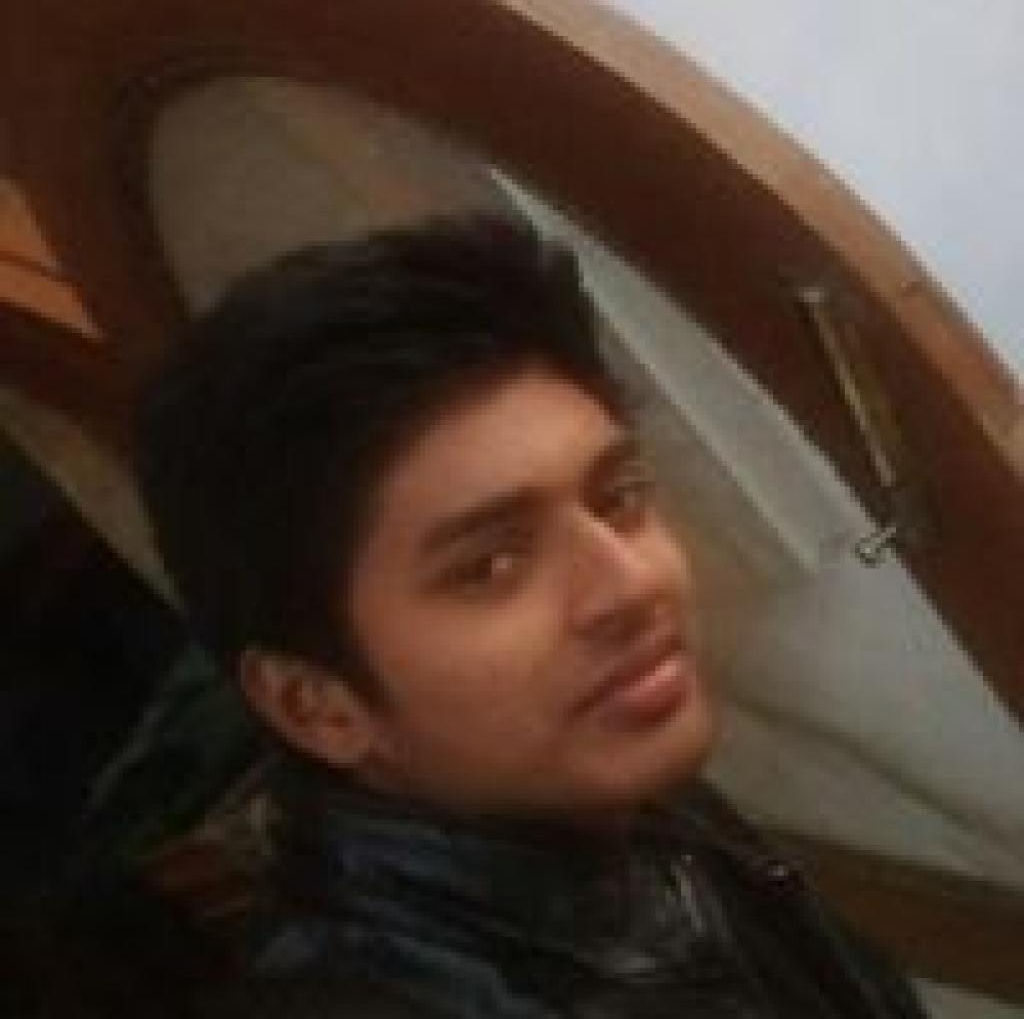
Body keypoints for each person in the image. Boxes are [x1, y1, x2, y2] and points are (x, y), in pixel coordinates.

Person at [136, 214, 927, 1018]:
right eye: (490, 566)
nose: (630, 585)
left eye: (617, 498)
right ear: (317, 705)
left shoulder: (629, 819)